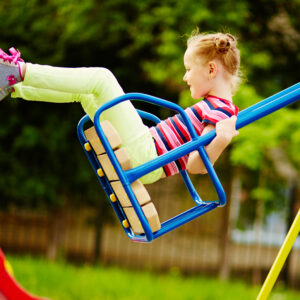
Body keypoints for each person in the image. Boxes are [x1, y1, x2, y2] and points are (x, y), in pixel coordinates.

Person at [0, 31, 240, 184]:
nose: (185, 77)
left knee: (101, 79)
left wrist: (222, 139)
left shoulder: (222, 113)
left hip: (149, 155)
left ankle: (17, 72)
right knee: (83, 92)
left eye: (189, 69)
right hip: (147, 149)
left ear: (211, 70)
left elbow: (196, 165)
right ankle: (13, 86)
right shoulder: (215, 106)